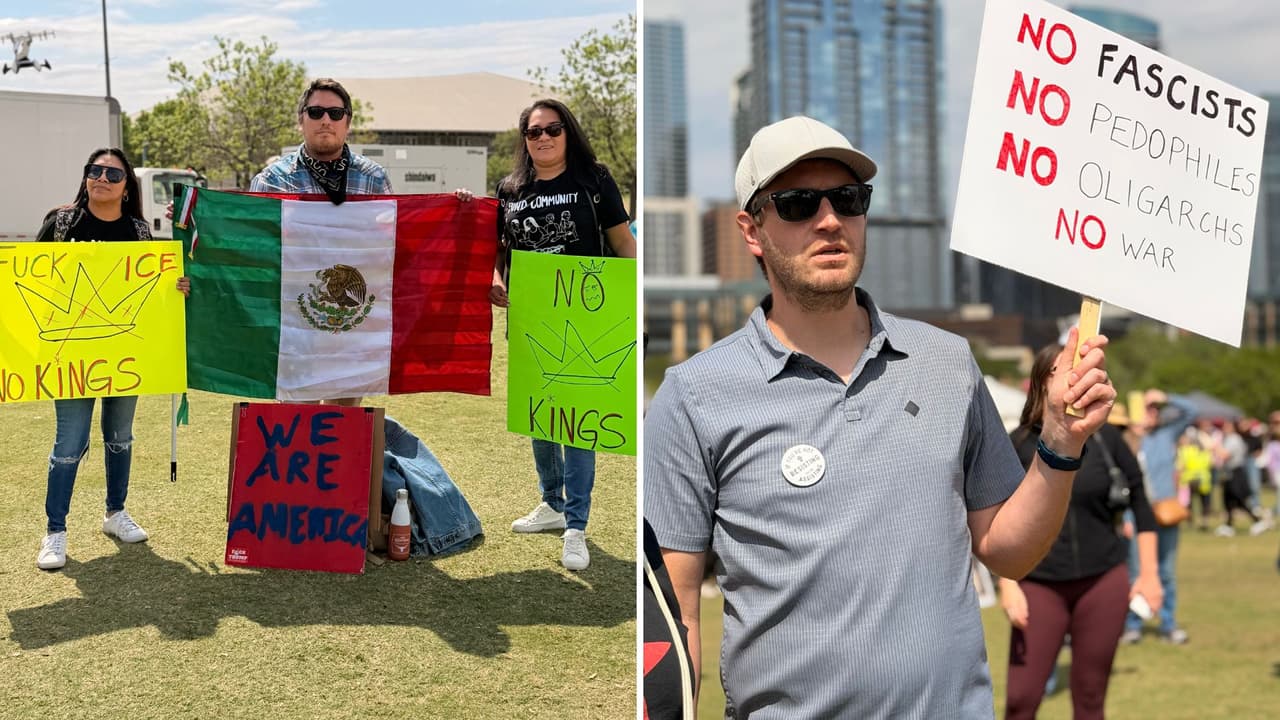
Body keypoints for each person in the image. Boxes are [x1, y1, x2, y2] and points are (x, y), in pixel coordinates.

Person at [644, 116, 1117, 717]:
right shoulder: (694, 394)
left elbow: (1006, 550)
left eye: (848, 199)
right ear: (752, 230)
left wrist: (1059, 442)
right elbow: (676, 613)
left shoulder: (947, 360)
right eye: (796, 204)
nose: (829, 220)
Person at [489, 99, 636, 572]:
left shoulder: (594, 179)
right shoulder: (510, 189)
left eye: (553, 128)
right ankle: (551, 503)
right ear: (524, 140)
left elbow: (623, 243)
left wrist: (634, 301)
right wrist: (496, 278)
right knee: (540, 417)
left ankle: (576, 524)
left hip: (588, 319)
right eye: (534, 132)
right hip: (532, 320)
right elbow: (499, 248)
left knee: (577, 422)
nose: (544, 138)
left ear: (568, 132)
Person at [33, 148, 183, 570]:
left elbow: (153, 290)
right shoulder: (61, 222)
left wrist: (177, 286)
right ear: (85, 178)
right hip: (72, 354)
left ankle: (115, 513)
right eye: (94, 171)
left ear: (126, 185)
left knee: (120, 436)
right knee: (70, 443)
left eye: (112, 173)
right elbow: (32, 280)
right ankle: (55, 532)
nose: (101, 178)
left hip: (124, 353)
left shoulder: (138, 230)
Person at [999, 348, 1162, 719]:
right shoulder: (1018, 443)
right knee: (1021, 700)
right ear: (1044, 380)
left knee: (1090, 699)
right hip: (1038, 583)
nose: (1080, 377)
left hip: (1102, 579)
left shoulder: (1106, 441)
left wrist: (1150, 575)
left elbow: (1141, 505)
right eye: (1068, 369)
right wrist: (1008, 585)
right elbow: (994, 515)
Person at [1122, 390, 1196, 644]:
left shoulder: (1166, 435)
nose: (1152, 413)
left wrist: (1166, 397)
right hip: (1135, 515)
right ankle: (1132, 625)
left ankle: (1168, 624)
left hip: (1166, 512)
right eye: (1147, 408)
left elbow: (1191, 411)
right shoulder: (1125, 440)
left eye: (1155, 409)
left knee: (1166, 572)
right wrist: (1123, 519)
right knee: (1136, 571)